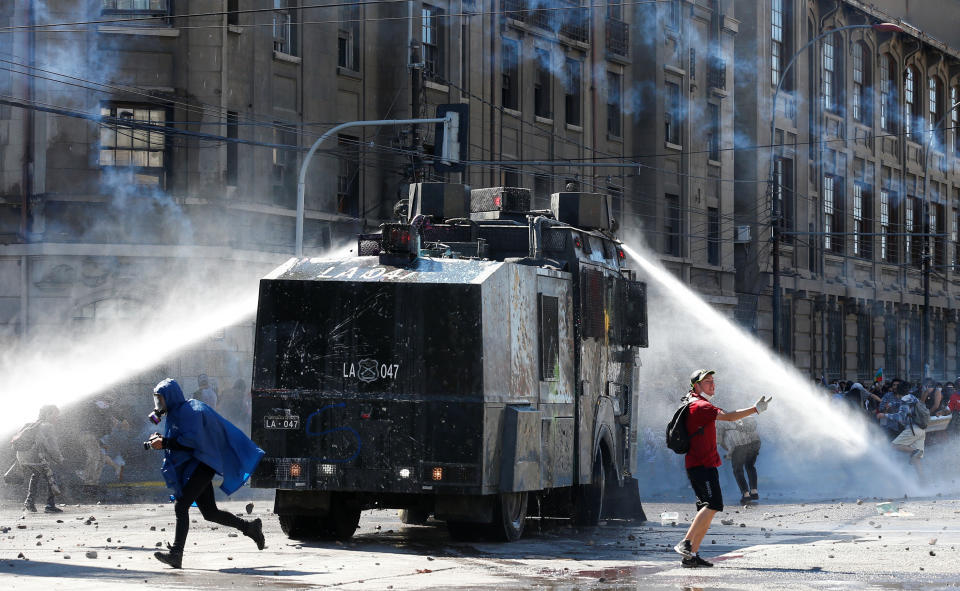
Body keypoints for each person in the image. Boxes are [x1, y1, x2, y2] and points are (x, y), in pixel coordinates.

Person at [148, 378, 265, 569]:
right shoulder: (176, 413)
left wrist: (165, 443)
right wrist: (162, 440)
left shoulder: (190, 410)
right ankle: (250, 528)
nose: (159, 405)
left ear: (170, 396)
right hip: (198, 463)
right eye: (157, 400)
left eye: (161, 399)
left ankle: (176, 554)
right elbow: (180, 440)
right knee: (210, 513)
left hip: (204, 463)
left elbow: (191, 442)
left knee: (181, 507)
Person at [673, 369, 772, 568]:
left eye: (713, 381)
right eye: (707, 382)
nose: (712, 384)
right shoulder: (700, 406)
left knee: (706, 508)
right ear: (696, 386)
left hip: (702, 463)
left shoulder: (694, 402)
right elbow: (728, 417)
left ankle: (691, 556)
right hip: (702, 465)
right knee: (712, 505)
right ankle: (685, 544)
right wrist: (755, 409)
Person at [16, 405, 65, 513]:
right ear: (48, 414)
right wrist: (59, 458)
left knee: (36, 475)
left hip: (23, 457)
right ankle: (50, 505)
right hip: (37, 459)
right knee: (52, 477)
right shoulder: (48, 426)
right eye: (55, 415)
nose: (57, 418)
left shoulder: (30, 424)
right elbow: (52, 446)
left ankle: (29, 502)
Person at [76, 398, 128, 489]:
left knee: (101, 458)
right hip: (86, 434)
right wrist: (122, 419)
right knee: (95, 456)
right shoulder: (104, 412)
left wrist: (101, 444)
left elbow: (97, 434)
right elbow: (109, 409)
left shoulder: (107, 424)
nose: (115, 423)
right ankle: (87, 476)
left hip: (92, 437)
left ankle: (93, 482)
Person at [878, 389, 925, 477]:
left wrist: (884, 415)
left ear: (898, 394)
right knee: (916, 458)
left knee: (894, 446)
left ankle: (914, 451)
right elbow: (903, 404)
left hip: (912, 429)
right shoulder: (913, 398)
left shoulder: (904, 400)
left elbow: (900, 417)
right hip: (921, 429)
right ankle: (922, 479)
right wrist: (892, 404)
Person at [716, 415, 761, 505]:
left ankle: (746, 494)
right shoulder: (740, 413)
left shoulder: (719, 421)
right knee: (750, 466)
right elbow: (753, 424)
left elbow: (718, 440)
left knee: (738, 470)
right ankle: (754, 491)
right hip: (755, 442)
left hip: (740, 445)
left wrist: (728, 454)